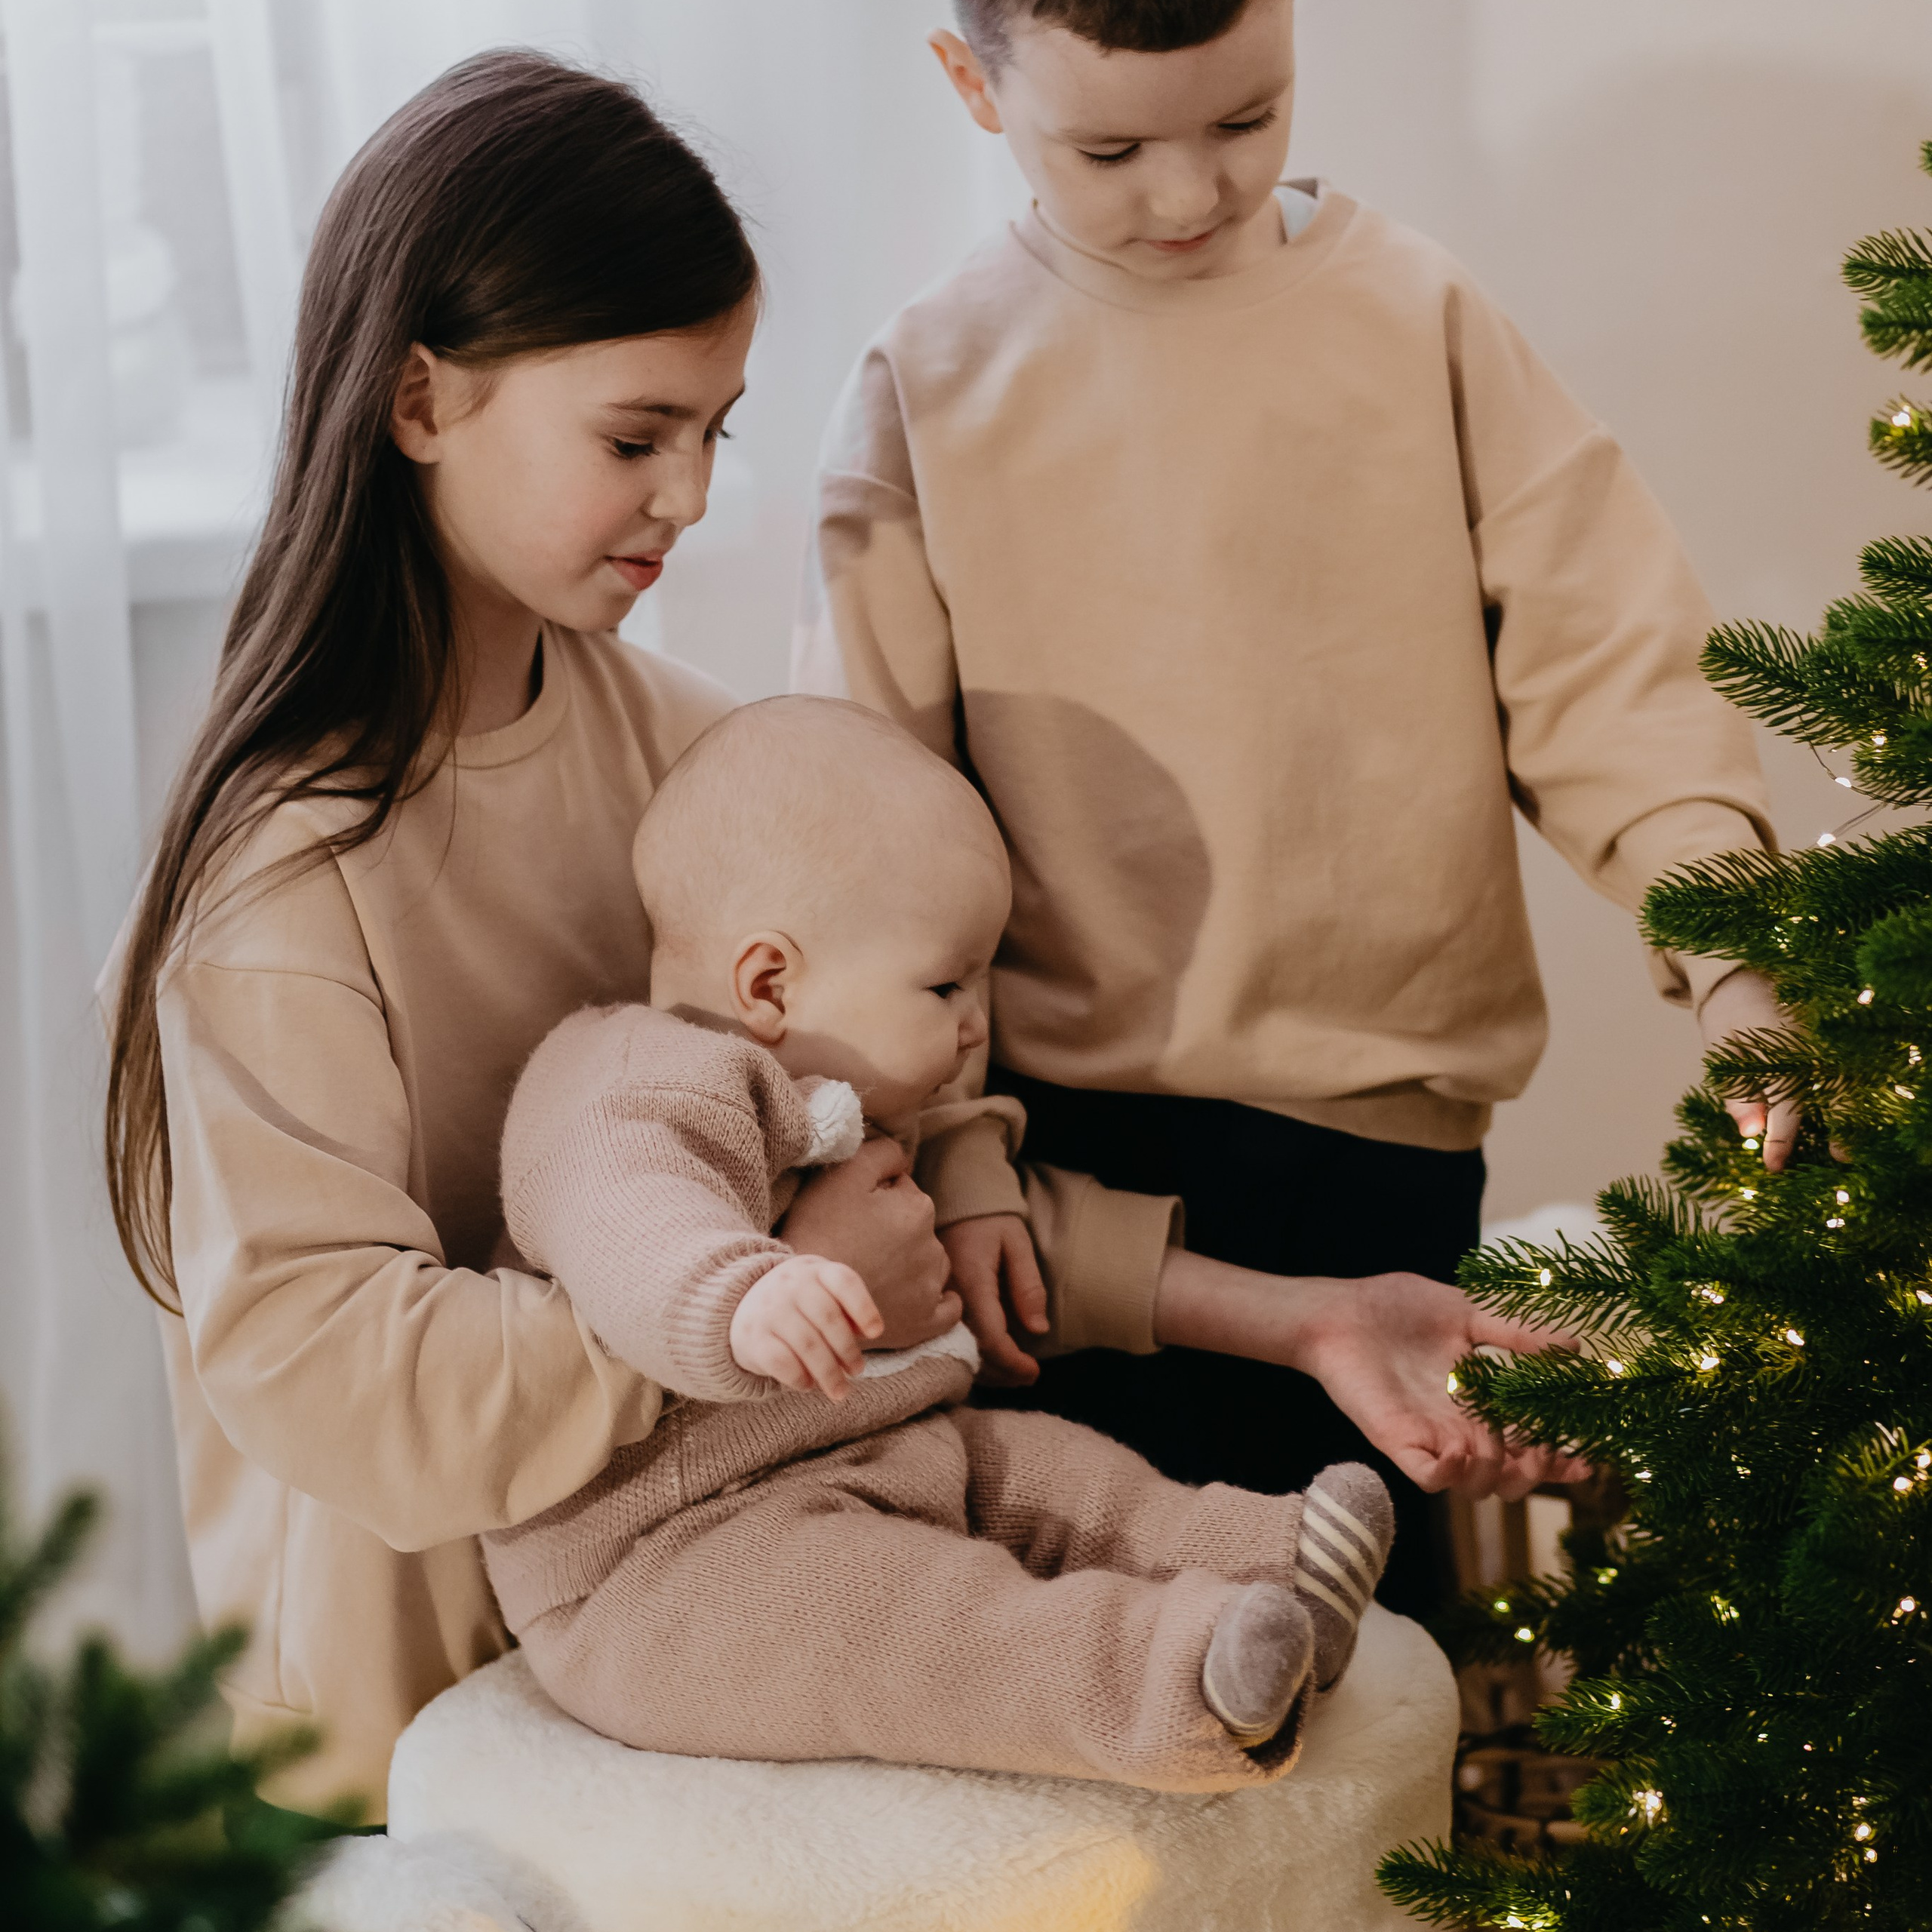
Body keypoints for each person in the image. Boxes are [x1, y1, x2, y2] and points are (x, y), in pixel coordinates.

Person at [103, 44, 1567, 1822]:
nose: (693, 496)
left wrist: (1302, 1319)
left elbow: (898, 1183)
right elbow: (340, 1373)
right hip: (421, 1732)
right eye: (634, 436)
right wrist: (755, 1301)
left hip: (748, 1570)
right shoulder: (285, 882)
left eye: (711, 431)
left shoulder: (678, 749)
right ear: (420, 401)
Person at [794, 0, 1783, 1617]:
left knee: (1385, 1662)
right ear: (967, 83)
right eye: (1110, 148)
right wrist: (958, 1156)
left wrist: (1732, 953)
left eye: (1244, 121)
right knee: (1135, 1667)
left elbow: (1608, 671)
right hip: (1074, 1172)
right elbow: (874, 836)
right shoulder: (929, 385)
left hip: (1385, 1134)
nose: (1187, 193)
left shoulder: (1416, 319)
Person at [484, 696, 1404, 1787]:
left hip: (884, 1456)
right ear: (769, 982)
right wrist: (738, 1296)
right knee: (910, 1620)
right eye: (946, 985)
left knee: (1057, 1475)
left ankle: (1268, 1560)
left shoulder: (853, 1104)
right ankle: (1169, 1683)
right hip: (669, 1562)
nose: (978, 1025)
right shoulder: (635, 1079)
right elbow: (621, 1213)